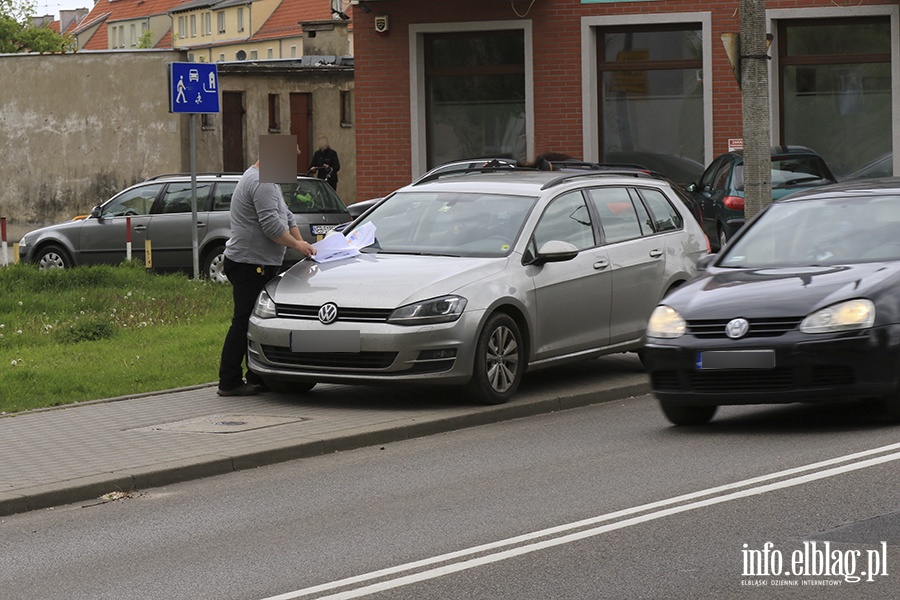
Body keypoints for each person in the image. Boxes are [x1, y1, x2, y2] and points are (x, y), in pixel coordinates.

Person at [217, 156, 316, 397]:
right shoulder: (261, 182)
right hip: (249, 263)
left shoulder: (269, 181)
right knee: (245, 321)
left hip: (256, 262)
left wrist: (300, 241)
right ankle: (229, 380)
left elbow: (287, 216)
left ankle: (256, 375)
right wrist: (298, 246)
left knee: (257, 321)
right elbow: (272, 227)